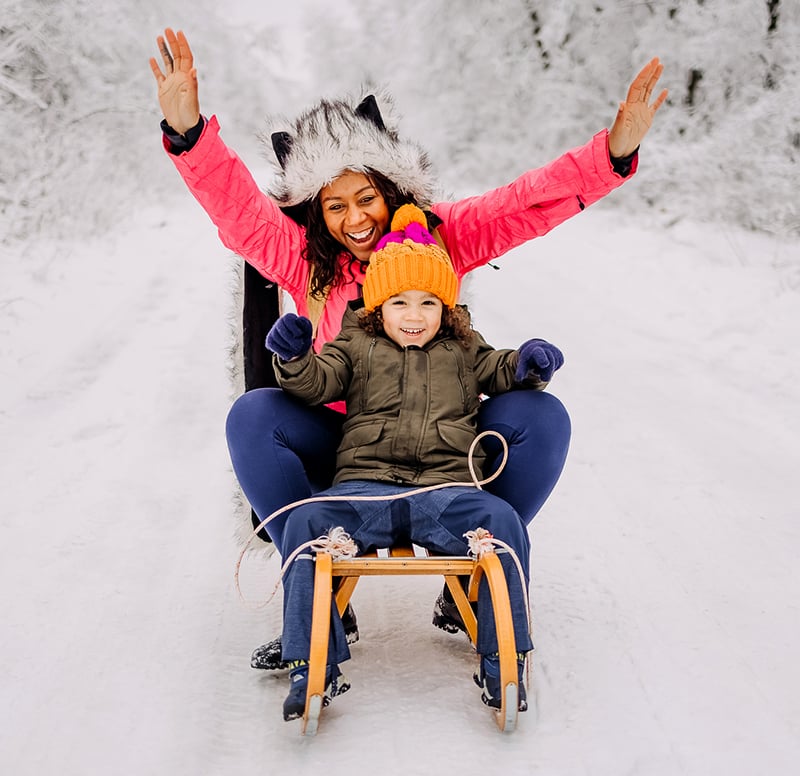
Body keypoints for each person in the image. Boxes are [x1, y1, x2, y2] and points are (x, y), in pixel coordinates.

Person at [149, 28, 667, 666]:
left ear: (391, 190)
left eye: (365, 196)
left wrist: (612, 152)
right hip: (340, 432)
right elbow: (237, 210)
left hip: (438, 432)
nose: (354, 218)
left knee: (541, 416)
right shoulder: (301, 259)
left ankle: (475, 578)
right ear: (315, 212)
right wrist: (189, 132)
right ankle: (313, 603)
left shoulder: (442, 238)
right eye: (334, 205)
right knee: (252, 417)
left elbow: (526, 203)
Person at [269, 205, 562, 720]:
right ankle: (311, 663)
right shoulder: (355, 345)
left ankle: (504, 656)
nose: (414, 314)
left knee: (504, 524)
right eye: (399, 301)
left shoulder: (463, 346)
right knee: (304, 523)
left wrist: (527, 364)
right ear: (378, 306)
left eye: (428, 302)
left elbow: (500, 369)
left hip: (447, 492)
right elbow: (317, 382)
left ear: (446, 307)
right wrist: (293, 359)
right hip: (364, 489)